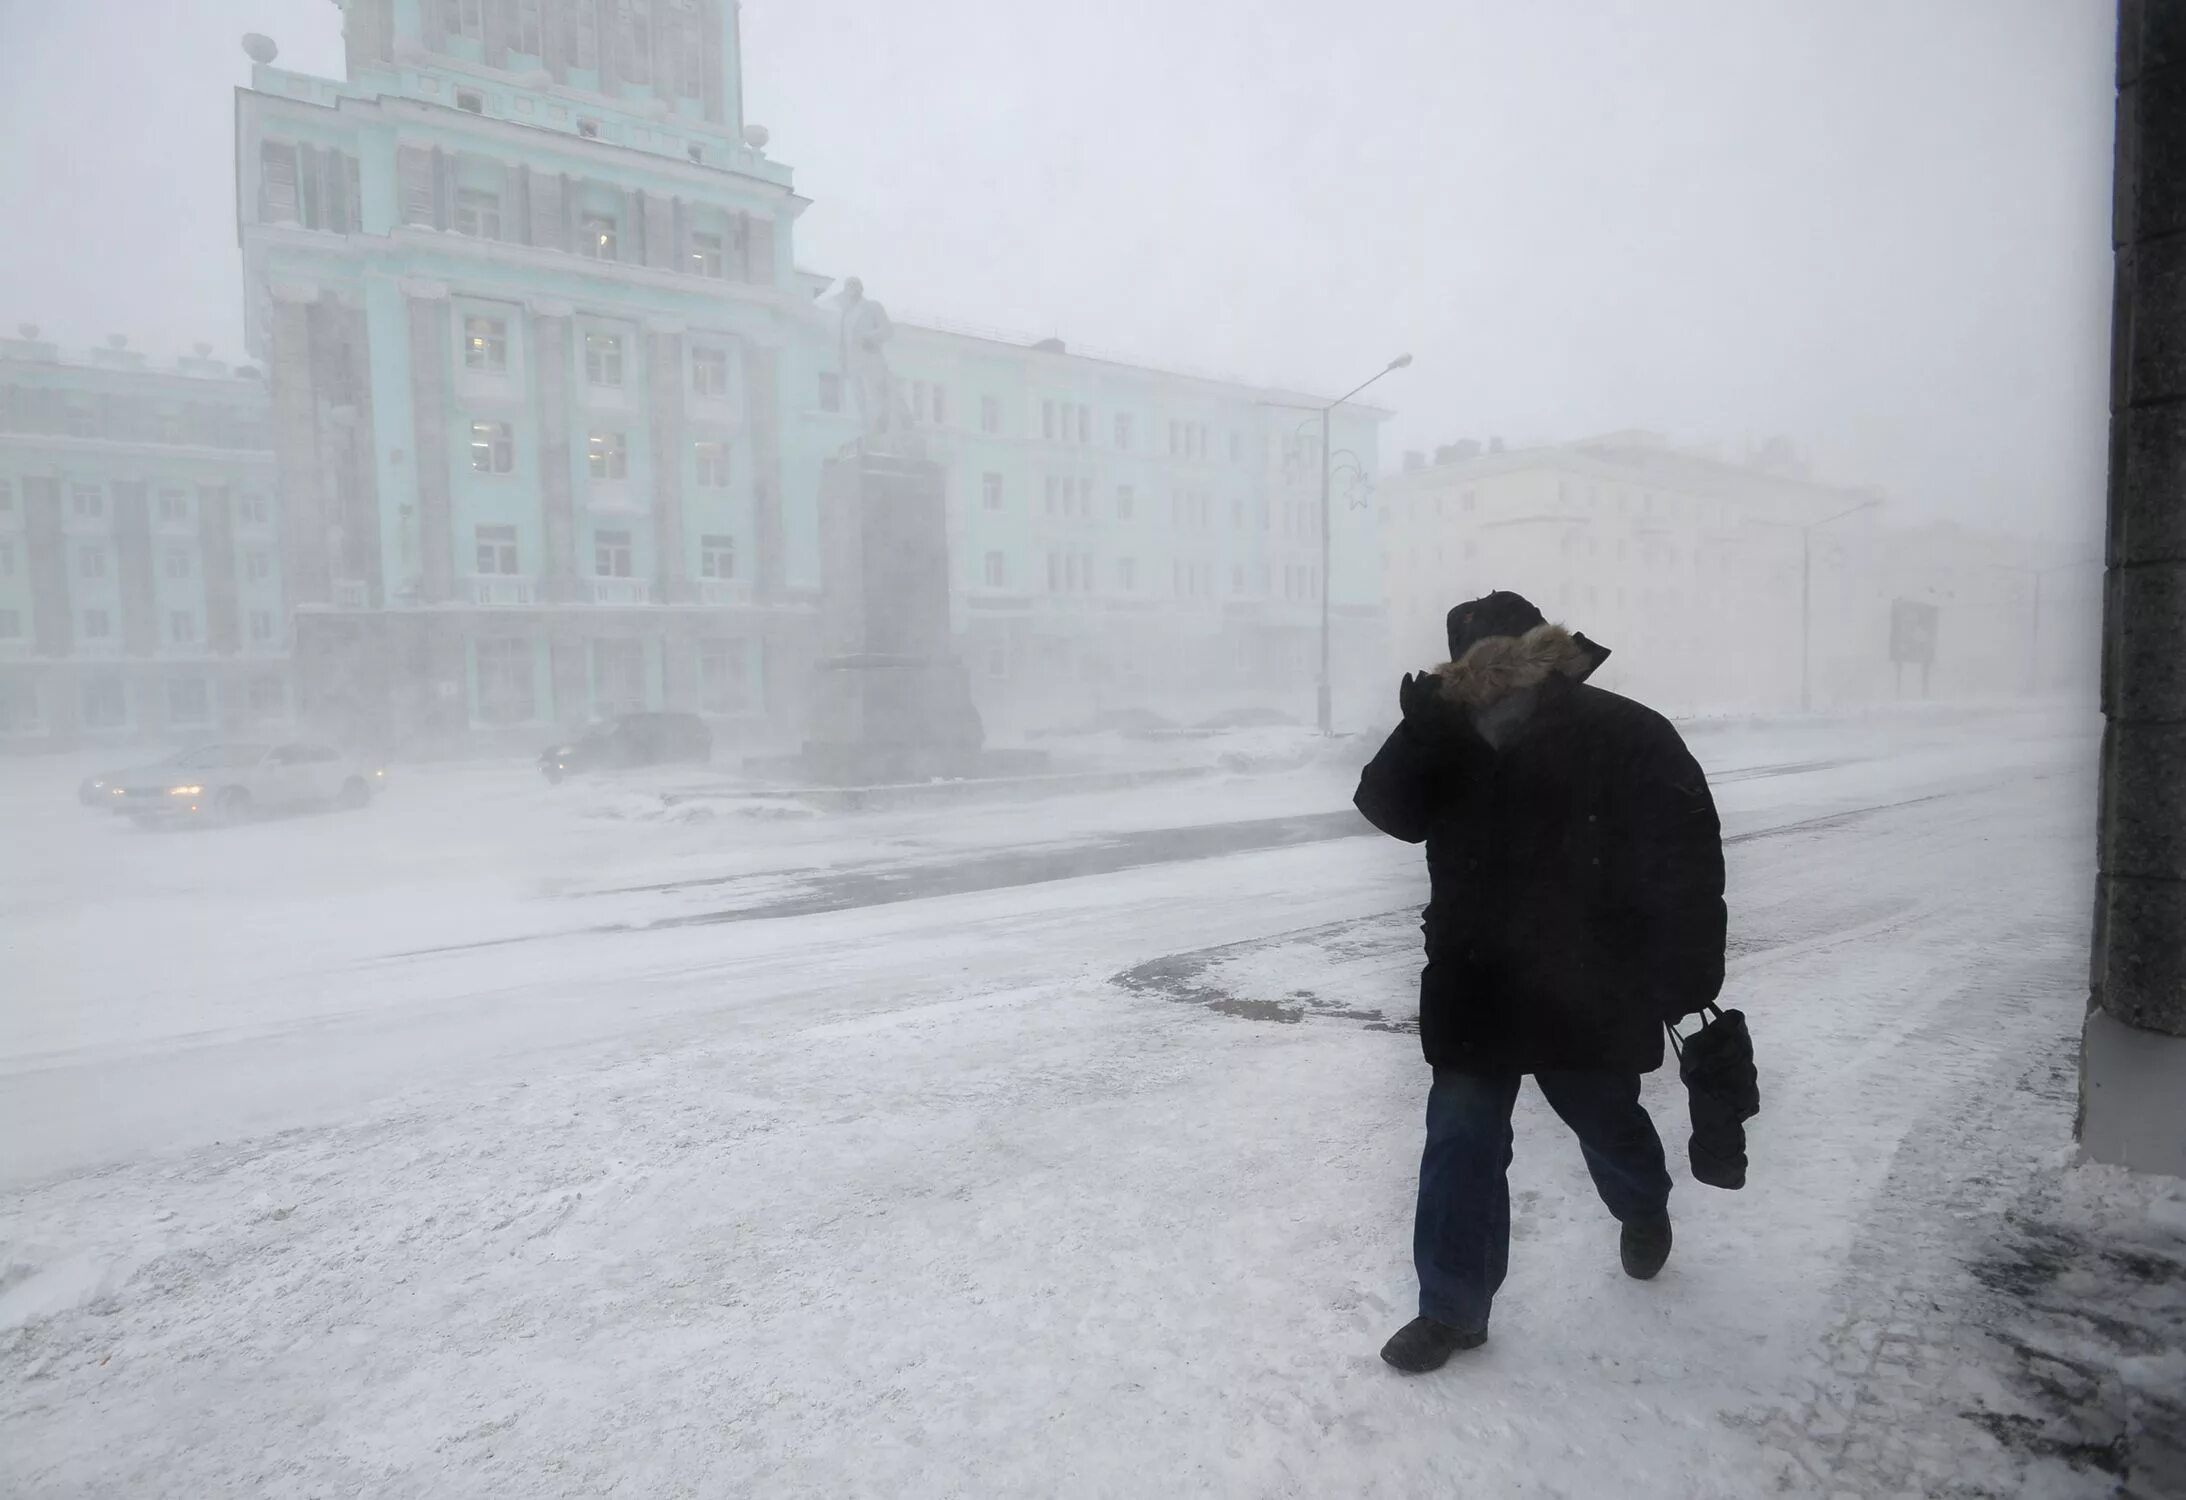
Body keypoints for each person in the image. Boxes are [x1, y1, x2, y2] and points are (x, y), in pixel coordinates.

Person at [1352, 590, 1726, 1373]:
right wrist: (1420, 734)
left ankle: (1643, 1203)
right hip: (1476, 979)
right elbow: (1387, 809)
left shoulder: (1623, 731)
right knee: (1461, 1141)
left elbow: (1687, 856)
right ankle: (1451, 1311)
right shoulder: (1446, 736)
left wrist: (1687, 976)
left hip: (1586, 979)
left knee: (1603, 1118)